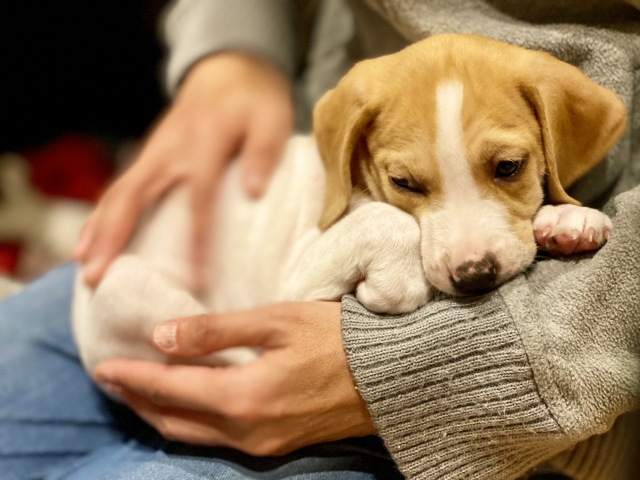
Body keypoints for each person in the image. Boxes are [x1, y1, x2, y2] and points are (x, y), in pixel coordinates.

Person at [2, 1, 639, 479]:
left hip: (520, 358)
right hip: (198, 292)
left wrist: (422, 371)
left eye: (505, 169)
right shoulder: (357, 165)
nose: (468, 251)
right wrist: (233, 45)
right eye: (409, 183)